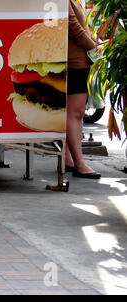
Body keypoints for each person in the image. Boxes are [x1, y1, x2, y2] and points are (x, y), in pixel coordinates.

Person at [66, 0, 101, 179]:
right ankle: (79, 164)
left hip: (78, 59)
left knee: (73, 113)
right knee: (75, 113)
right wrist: (95, 48)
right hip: (75, 61)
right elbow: (75, 29)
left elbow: (81, 27)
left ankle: (69, 159)